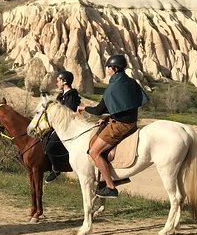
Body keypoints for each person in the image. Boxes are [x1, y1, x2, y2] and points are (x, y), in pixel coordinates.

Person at [77, 54, 149, 198]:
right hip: (131, 122)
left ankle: (110, 187)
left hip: (120, 125)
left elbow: (98, 110)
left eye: (109, 67)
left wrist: (83, 108)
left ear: (115, 68)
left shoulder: (113, 86)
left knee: (94, 152)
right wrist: (108, 117)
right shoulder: (130, 82)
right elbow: (126, 107)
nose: (107, 70)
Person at [43, 70, 81, 183]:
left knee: (50, 146)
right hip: (57, 126)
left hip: (66, 127)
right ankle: (48, 166)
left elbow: (67, 113)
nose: (57, 83)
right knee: (43, 141)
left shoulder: (72, 96)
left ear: (64, 82)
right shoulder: (61, 95)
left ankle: (57, 169)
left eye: (58, 81)